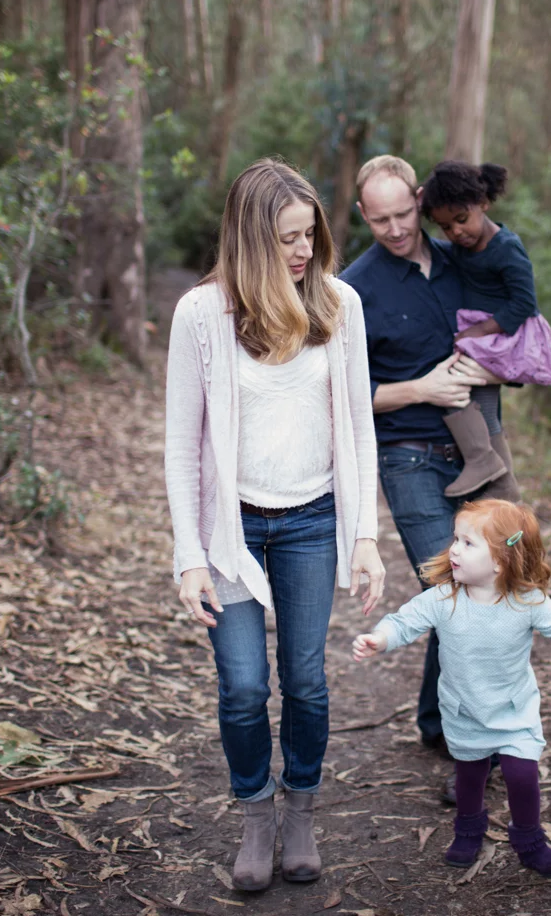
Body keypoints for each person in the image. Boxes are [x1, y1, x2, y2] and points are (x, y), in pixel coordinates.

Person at [164, 158, 386, 892]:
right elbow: (181, 446)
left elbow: (358, 426)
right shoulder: (202, 315)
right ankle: (256, 812)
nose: (302, 251)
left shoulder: (340, 306)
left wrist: (364, 537)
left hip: (312, 524)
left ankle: (301, 812)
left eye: (309, 235)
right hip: (231, 531)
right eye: (287, 238)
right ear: (251, 239)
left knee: (307, 682)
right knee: (241, 687)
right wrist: (189, 554)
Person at [351, 500, 551, 877]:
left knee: (522, 774)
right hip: (465, 709)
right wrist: (379, 639)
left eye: (467, 543)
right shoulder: (443, 599)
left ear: (500, 561)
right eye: (456, 540)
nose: (454, 550)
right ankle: (468, 831)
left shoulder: (526, 602)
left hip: (514, 710)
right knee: (470, 774)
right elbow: (404, 621)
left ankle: (529, 841)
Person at [340, 155, 505, 775]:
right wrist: (422, 388)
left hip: (479, 449)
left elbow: (502, 331)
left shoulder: (464, 256)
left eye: (404, 213)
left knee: (480, 588)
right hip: (408, 457)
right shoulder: (353, 288)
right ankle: (471, 745)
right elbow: (346, 395)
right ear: (363, 215)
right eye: (379, 219)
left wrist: (501, 365)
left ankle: (438, 722)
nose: (395, 228)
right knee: (457, 589)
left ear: (419, 198)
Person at [419, 160, 551, 499]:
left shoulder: (506, 248)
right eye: (445, 227)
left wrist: (480, 331)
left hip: (504, 335)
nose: (456, 232)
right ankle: (497, 486)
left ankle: (494, 476)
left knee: (454, 383)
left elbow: (525, 302)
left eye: (461, 220)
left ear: (483, 203)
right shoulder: (464, 248)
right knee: (479, 405)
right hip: (485, 335)